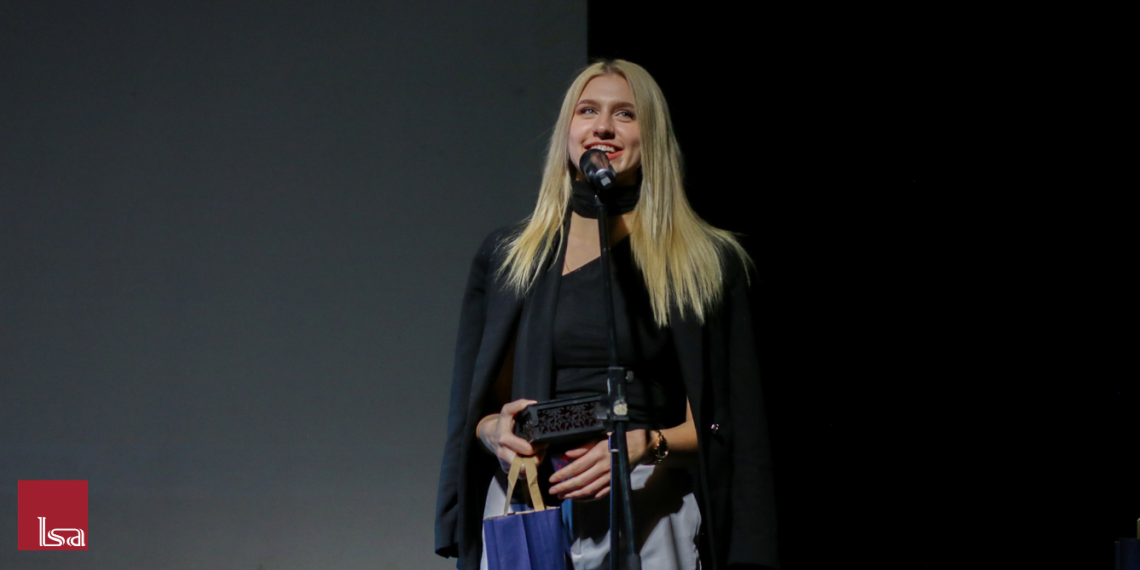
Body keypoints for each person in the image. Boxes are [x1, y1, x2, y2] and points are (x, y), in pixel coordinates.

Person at [435, 60, 777, 570]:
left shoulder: (702, 261)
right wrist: (494, 432)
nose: (603, 127)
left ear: (651, 136)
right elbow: (484, 408)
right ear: (567, 132)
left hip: (648, 502)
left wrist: (646, 444)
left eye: (625, 114)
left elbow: (723, 423)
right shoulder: (510, 256)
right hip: (532, 501)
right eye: (588, 111)